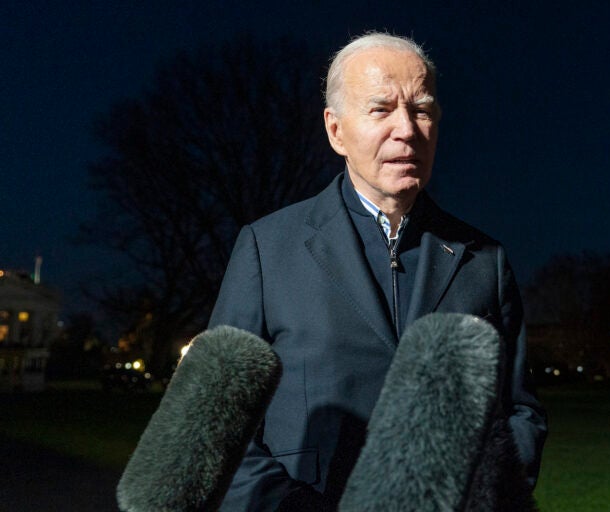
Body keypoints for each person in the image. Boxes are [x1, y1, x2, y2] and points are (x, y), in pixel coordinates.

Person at [208, 32, 547, 511]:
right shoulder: (267, 248)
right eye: (381, 109)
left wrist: (483, 492)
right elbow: (219, 426)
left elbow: (520, 413)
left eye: (422, 110)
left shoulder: (483, 260)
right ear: (335, 130)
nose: (406, 129)